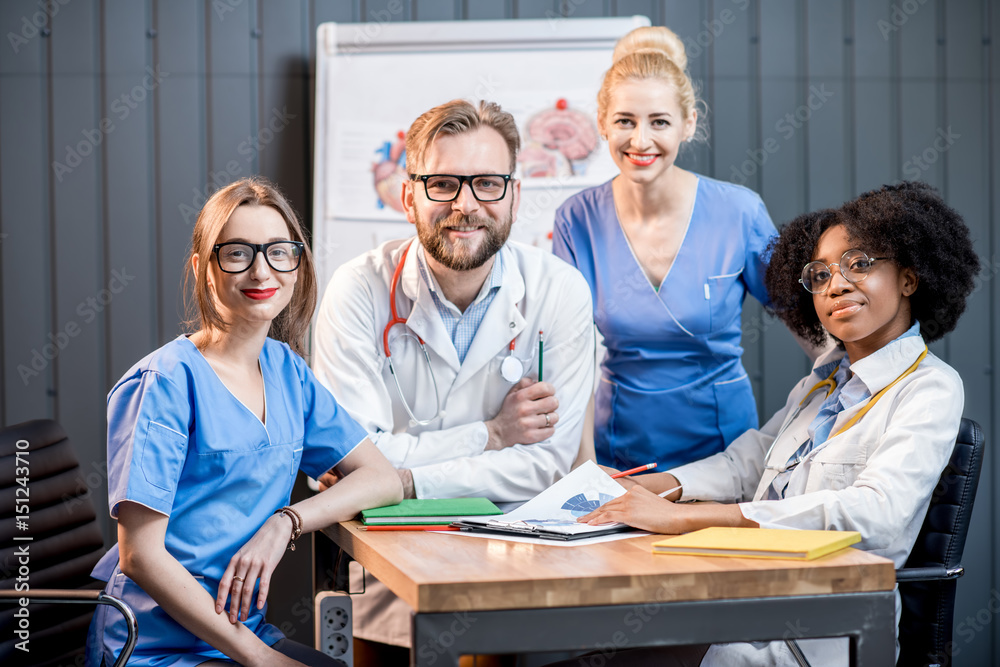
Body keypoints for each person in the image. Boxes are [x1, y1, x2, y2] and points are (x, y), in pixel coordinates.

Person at [565, 182, 980, 666]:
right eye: (820, 275)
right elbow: (747, 463)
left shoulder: (929, 387)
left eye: (859, 264)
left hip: (821, 632)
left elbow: (877, 516)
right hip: (749, 602)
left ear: (910, 278)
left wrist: (685, 518)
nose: (836, 285)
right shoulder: (820, 383)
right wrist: (660, 487)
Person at [312, 99, 595, 656]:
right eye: (442, 183)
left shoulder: (560, 291)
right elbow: (351, 459)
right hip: (385, 569)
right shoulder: (358, 290)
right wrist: (491, 436)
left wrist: (400, 481)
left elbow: (545, 465)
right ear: (409, 195)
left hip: (514, 567)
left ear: (515, 194)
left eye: (487, 183)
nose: (465, 204)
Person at [86, 177, 403, 667]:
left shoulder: (288, 371)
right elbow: (140, 556)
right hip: (153, 648)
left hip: (239, 636)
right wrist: (259, 658)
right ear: (203, 269)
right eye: (237, 253)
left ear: (298, 266)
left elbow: (382, 479)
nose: (261, 271)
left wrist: (285, 523)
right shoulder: (164, 382)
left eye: (279, 252)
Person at [552, 25, 778, 471]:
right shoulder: (576, 219)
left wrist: (837, 413)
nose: (640, 141)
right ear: (602, 124)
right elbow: (566, 358)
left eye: (659, 121)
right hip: (618, 453)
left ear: (688, 123)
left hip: (725, 456)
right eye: (624, 121)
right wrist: (584, 468)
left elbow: (810, 324)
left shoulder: (739, 212)